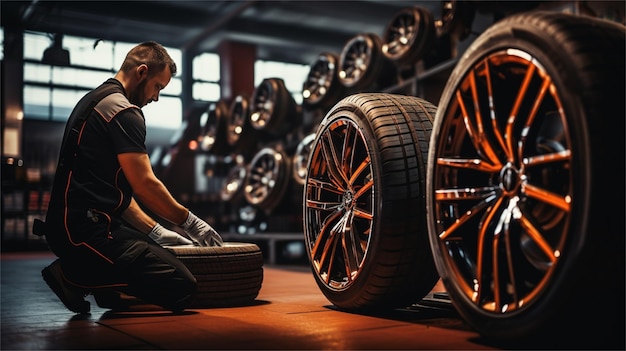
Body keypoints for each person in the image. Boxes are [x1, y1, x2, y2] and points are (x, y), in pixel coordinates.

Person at [39, 41, 223, 314]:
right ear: (141, 72)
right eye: (158, 86)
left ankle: (106, 287)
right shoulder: (124, 111)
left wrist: (156, 230)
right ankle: (70, 274)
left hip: (80, 223)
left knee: (153, 250)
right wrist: (190, 222)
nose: (156, 97)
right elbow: (145, 184)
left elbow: (118, 195)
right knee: (181, 286)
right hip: (82, 232)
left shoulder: (96, 99)